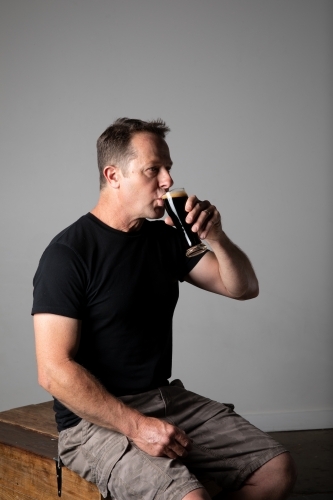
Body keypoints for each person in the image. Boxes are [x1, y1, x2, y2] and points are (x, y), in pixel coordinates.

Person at [32, 118, 296, 500]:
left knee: (276, 469)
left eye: (168, 168)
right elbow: (53, 371)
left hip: (164, 398)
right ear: (113, 175)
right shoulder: (68, 255)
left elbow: (243, 288)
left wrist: (217, 239)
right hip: (94, 421)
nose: (168, 180)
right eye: (153, 169)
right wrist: (137, 426)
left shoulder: (164, 239)